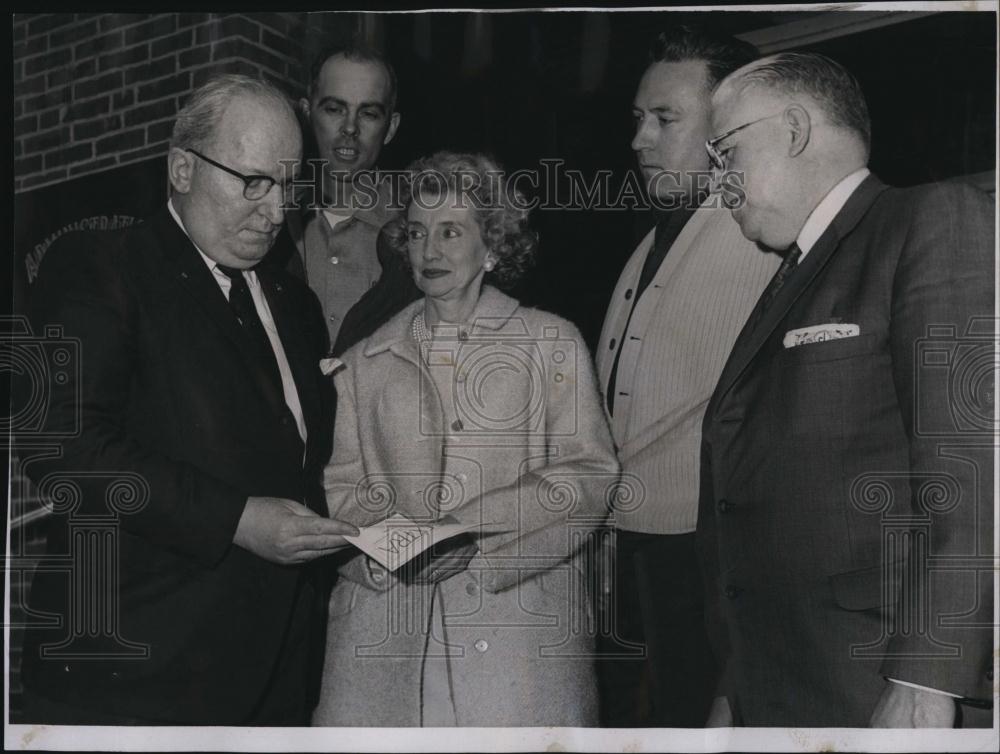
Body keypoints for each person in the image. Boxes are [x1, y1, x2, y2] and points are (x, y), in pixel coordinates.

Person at [19, 74, 358, 725]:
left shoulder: (297, 304)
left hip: (278, 678)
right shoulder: (100, 264)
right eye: (253, 181)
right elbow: (61, 446)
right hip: (136, 679)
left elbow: (295, 465)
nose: (276, 210)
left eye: (288, 185)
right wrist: (238, 520)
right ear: (181, 168)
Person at [698, 52, 994, 727]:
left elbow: (973, 470)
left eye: (725, 151)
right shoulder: (790, 280)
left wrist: (927, 682)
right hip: (781, 684)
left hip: (878, 680)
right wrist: (735, 688)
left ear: (796, 129)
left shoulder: (930, 220)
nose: (717, 183)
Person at [311, 152, 620, 726]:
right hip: (391, 638)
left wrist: (473, 537)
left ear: (494, 245)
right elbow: (344, 490)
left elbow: (588, 476)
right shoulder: (362, 361)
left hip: (517, 636)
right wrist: (386, 557)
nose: (430, 251)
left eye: (452, 232)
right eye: (419, 232)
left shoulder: (550, 342)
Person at [593, 26, 779, 726]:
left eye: (665, 119)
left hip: (705, 554)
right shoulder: (650, 236)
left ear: (728, 127)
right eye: (639, 118)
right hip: (632, 547)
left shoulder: (762, 231)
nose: (640, 138)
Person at [278, 41, 420, 356]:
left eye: (368, 113)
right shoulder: (270, 221)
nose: (350, 128)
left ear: (391, 127)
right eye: (334, 109)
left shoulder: (420, 234)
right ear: (306, 113)